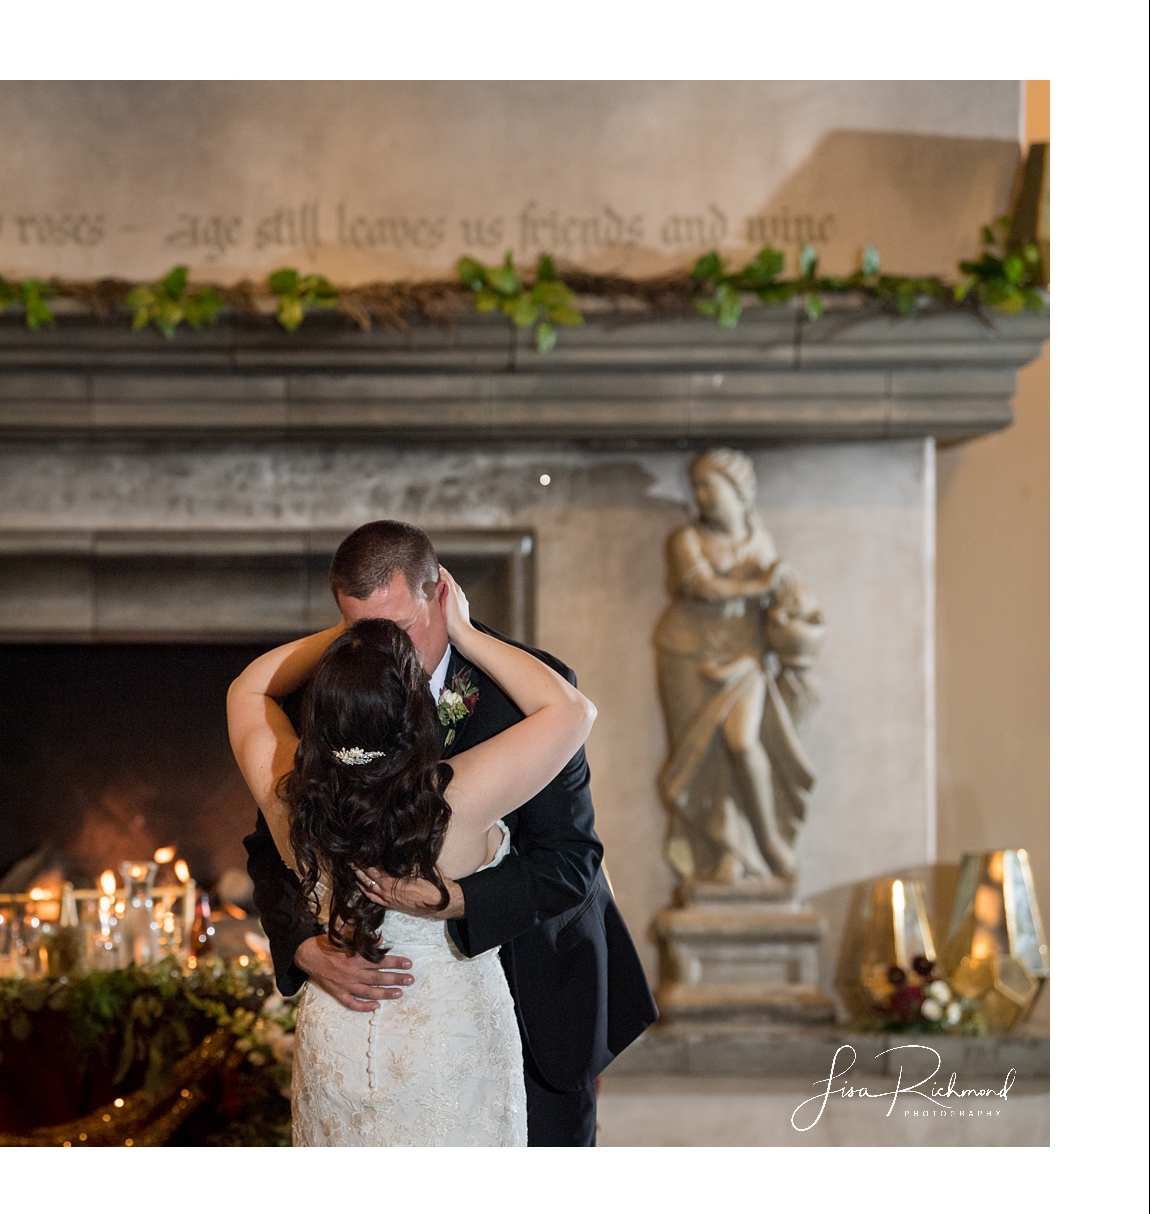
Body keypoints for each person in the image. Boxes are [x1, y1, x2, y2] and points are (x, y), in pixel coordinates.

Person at [232, 520, 655, 1145]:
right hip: (374, 1015)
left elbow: (571, 861)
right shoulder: (329, 699)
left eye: (396, 628)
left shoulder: (522, 685)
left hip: (535, 1002)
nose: (382, 646)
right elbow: (269, 856)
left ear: (439, 595)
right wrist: (301, 945)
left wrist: (457, 901)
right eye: (360, 631)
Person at [653, 448, 823, 884]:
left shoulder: (760, 540)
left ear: (740, 490)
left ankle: (767, 842)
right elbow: (702, 587)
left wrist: (791, 606)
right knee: (709, 757)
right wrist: (760, 582)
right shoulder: (686, 540)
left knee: (743, 743)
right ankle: (727, 853)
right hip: (689, 656)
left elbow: (780, 598)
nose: (702, 496)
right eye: (697, 488)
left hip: (744, 657)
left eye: (711, 485)